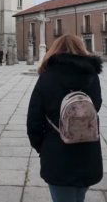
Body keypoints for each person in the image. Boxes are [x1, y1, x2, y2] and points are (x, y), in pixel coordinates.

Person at [27, 35, 103, 202]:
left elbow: (33, 120)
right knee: (79, 198)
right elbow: (96, 106)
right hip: (88, 151)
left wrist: (43, 147)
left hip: (57, 153)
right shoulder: (92, 76)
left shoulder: (47, 77)